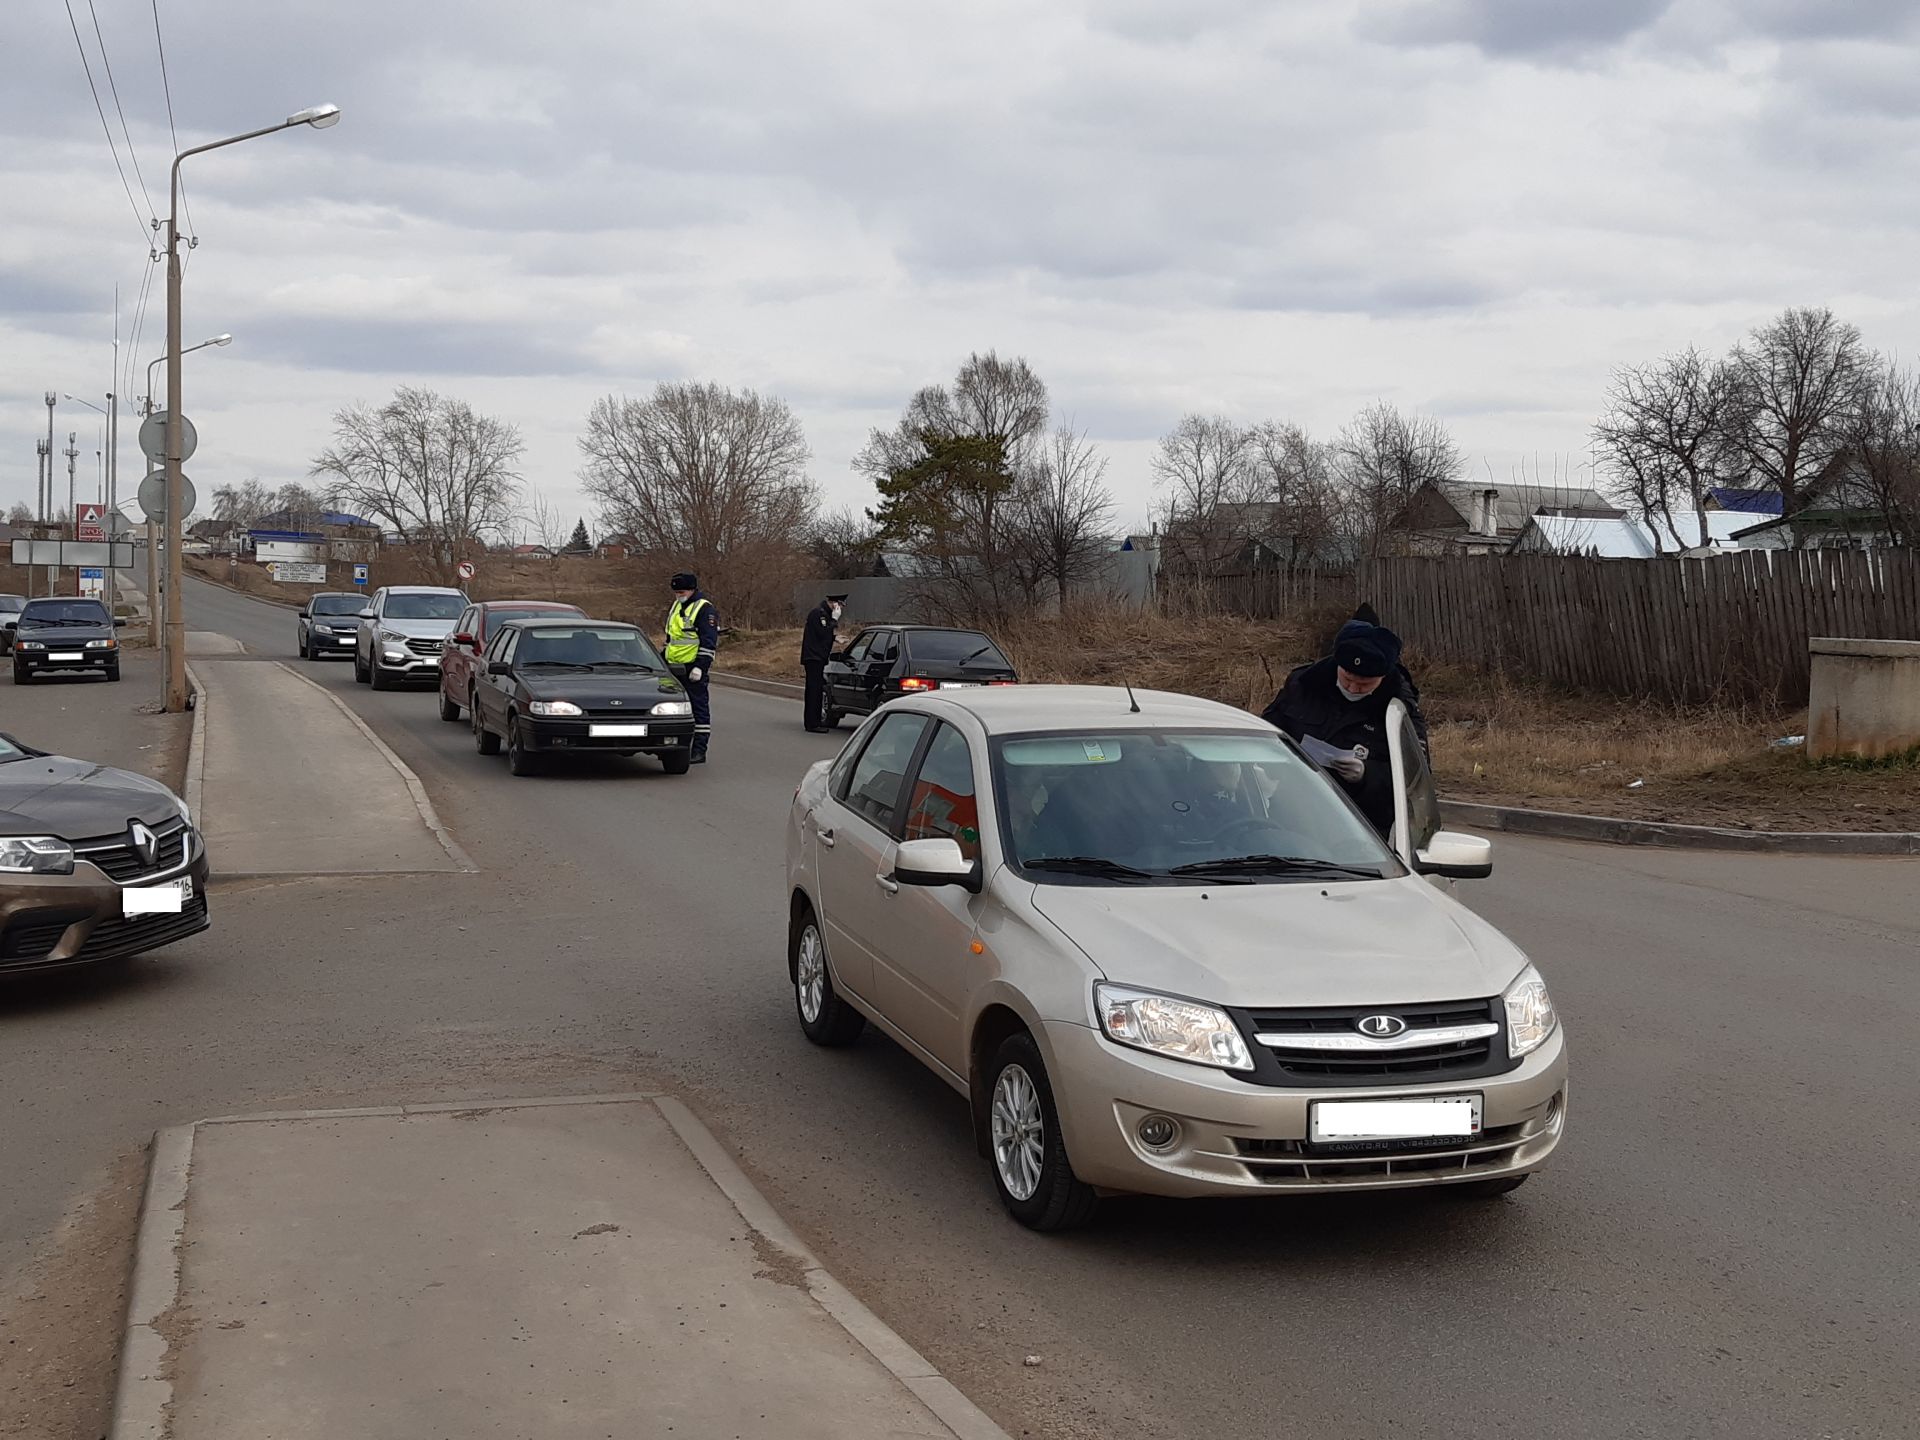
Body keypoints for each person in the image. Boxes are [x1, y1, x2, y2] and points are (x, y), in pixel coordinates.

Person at [1261, 605, 1428, 838]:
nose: (1352, 688)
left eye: (1364, 685)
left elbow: (1416, 779)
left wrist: (1366, 775)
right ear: (1337, 665)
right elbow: (1267, 732)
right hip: (1291, 811)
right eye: (1347, 678)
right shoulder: (1304, 685)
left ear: (1382, 677)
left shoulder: (1399, 710)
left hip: (1359, 827)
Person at [663, 572, 718, 764]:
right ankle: (673, 746)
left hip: (692, 668)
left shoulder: (704, 609)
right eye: (676, 591)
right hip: (672, 667)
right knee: (672, 709)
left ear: (693, 589)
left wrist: (700, 667)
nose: (679, 594)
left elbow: (709, 642)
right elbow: (671, 639)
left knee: (698, 709)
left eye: (682, 591)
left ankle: (699, 750)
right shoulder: (676, 606)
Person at [800, 591, 848, 732]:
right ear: (834, 603)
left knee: (817, 690)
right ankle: (812, 723)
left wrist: (835, 638)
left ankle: (815, 721)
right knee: (814, 691)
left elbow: (822, 634)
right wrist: (834, 620)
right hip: (813, 658)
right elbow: (821, 633)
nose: (841, 609)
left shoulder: (824, 614)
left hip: (818, 657)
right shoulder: (819, 614)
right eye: (840, 605)